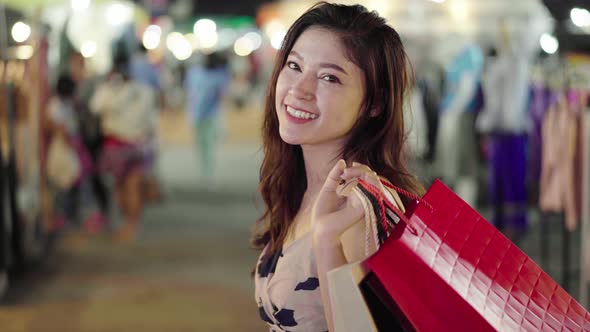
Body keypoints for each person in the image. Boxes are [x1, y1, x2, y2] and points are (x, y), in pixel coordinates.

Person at [251, 3, 424, 331]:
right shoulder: (302, 187)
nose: (299, 90)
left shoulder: (360, 209)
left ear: (375, 102)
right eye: (294, 65)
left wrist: (328, 241)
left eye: (329, 77)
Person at [90, 54, 157, 242]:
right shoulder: (145, 91)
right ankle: (131, 226)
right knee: (131, 188)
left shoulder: (109, 90)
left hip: (118, 146)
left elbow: (94, 108)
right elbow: (152, 121)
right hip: (138, 145)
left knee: (123, 188)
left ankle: (129, 226)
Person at [184, 51, 230, 183]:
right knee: (207, 144)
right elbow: (222, 96)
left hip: (201, 114)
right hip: (208, 114)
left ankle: (207, 172)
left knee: (204, 144)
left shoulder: (195, 73)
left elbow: (190, 93)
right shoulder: (218, 75)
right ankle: (208, 172)